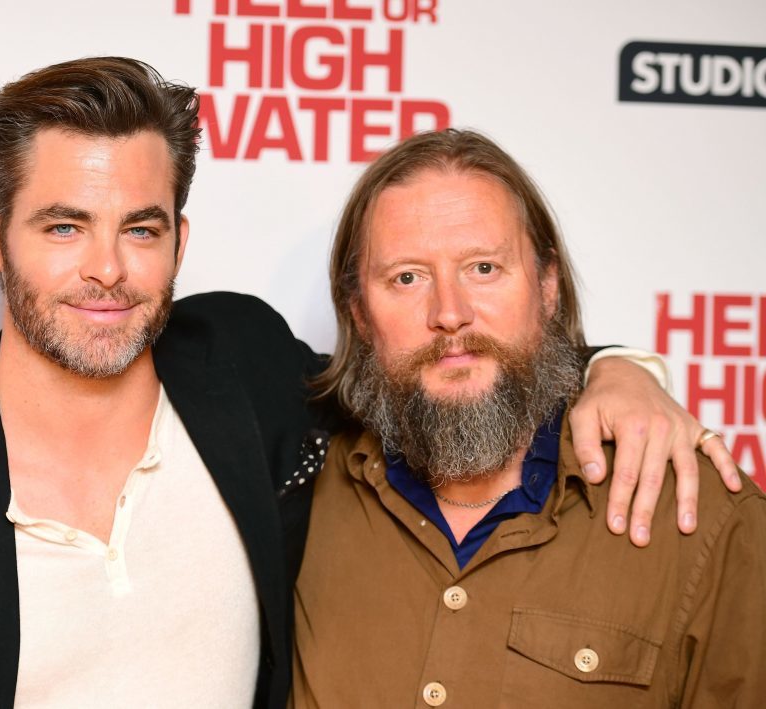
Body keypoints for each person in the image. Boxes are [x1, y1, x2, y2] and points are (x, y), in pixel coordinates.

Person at [0, 57, 735, 708]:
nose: (107, 268)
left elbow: (448, 364)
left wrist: (622, 369)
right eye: (63, 226)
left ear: (179, 241)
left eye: (139, 227)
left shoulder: (247, 368)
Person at [290, 129, 766, 707]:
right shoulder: (299, 485)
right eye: (407, 278)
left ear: (547, 287)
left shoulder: (704, 518)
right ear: (359, 313)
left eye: (484, 268)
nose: (450, 313)